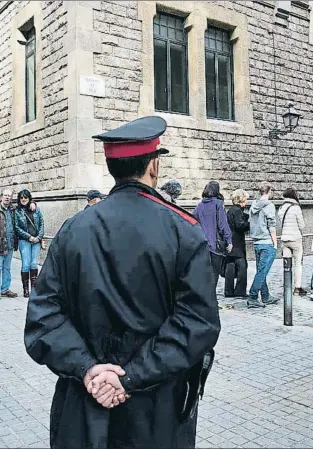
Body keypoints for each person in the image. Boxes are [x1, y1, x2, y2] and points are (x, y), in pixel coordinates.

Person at [24, 116, 220, 448]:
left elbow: (43, 319)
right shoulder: (183, 231)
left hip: (85, 406)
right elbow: (196, 323)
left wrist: (89, 370)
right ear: (154, 166)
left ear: (110, 165)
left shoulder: (73, 230)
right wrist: (129, 377)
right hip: (156, 411)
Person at [247, 182, 278, 308]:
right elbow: (271, 225)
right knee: (262, 272)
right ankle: (253, 296)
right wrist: (275, 242)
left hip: (257, 242)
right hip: (266, 242)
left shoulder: (253, 205)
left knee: (261, 270)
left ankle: (265, 296)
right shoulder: (269, 206)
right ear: (269, 191)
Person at [193, 181, 232, 281]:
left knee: (204, 273)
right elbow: (223, 225)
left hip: (203, 244)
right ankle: (210, 295)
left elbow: (192, 222)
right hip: (215, 245)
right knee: (214, 273)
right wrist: (229, 241)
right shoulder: (218, 204)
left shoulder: (200, 206)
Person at [13, 189, 44, 298]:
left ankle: (34, 290)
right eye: (21, 197)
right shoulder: (17, 211)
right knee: (26, 264)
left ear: (29, 198)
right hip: (24, 241)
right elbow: (16, 227)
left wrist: (38, 237)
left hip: (36, 240)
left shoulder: (36, 209)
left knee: (34, 264)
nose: (23, 199)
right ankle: (26, 289)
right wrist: (29, 237)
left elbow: (41, 224)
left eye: (25, 197)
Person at [279, 187, 307, 296]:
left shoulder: (281, 208)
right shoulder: (296, 208)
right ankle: (297, 288)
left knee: (287, 265)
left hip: (285, 239)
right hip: (295, 239)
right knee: (298, 264)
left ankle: (287, 287)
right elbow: (302, 225)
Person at [224, 189, 249, 298]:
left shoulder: (230, 210)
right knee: (242, 267)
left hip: (230, 241)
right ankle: (240, 291)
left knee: (230, 266)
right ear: (241, 200)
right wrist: (249, 223)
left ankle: (228, 291)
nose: (247, 202)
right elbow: (240, 225)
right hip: (237, 243)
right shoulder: (238, 211)